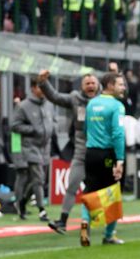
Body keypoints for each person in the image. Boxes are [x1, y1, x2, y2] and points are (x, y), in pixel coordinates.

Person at [38, 70, 100, 234]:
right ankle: (62, 221)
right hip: (80, 153)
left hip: (99, 153)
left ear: (98, 85)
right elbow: (55, 97)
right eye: (87, 83)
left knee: (99, 190)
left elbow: (121, 94)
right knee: (72, 185)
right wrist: (43, 83)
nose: (90, 86)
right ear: (82, 86)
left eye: (93, 83)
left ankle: (105, 224)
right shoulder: (75, 99)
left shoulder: (105, 100)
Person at [79, 72, 126, 247]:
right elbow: (118, 134)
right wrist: (119, 159)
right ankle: (108, 235)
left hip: (91, 153)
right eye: (120, 84)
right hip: (108, 154)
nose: (123, 88)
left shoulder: (91, 103)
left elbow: (85, 129)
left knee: (90, 191)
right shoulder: (117, 106)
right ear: (110, 86)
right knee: (113, 194)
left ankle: (85, 222)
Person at [11, 80, 54, 221]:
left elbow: (51, 122)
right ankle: (42, 210)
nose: (43, 90)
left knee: (39, 179)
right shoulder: (23, 106)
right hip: (29, 146)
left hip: (45, 146)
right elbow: (14, 126)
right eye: (40, 87)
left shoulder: (49, 104)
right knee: (35, 177)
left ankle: (23, 201)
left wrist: (51, 129)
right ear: (33, 89)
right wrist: (32, 130)